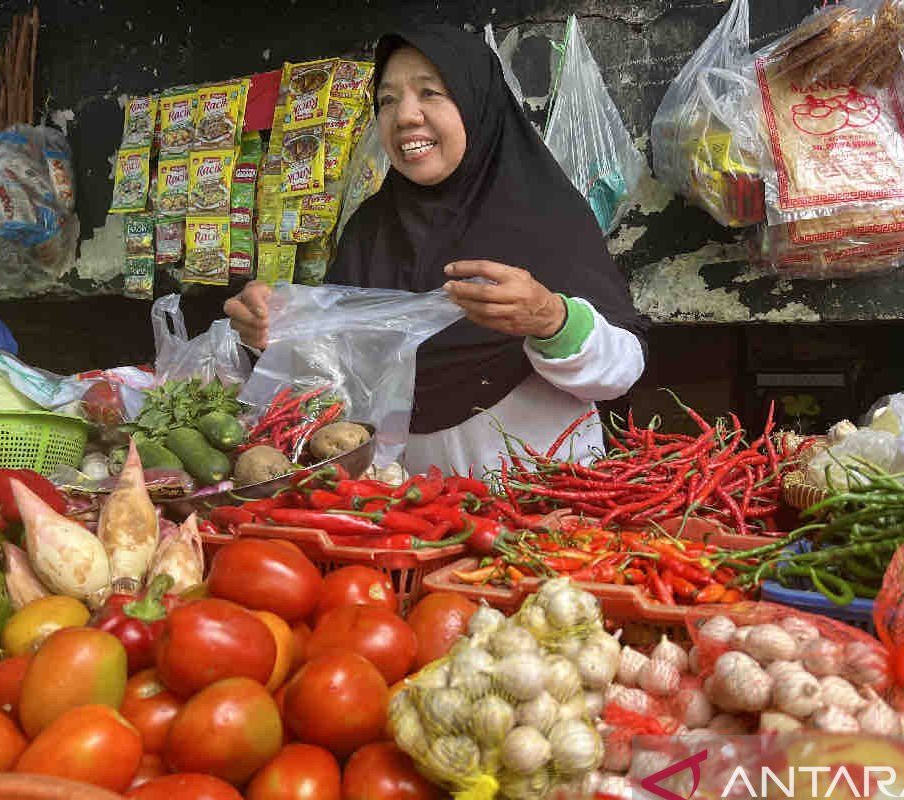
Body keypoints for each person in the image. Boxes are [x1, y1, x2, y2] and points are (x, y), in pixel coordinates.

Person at [226, 25, 646, 475]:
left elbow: (622, 372)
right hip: (412, 511)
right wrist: (272, 334)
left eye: (430, 93)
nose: (405, 116)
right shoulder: (370, 229)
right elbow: (335, 374)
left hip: (542, 498)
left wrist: (551, 319)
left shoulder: (546, 215)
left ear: (476, 103)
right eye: (387, 100)